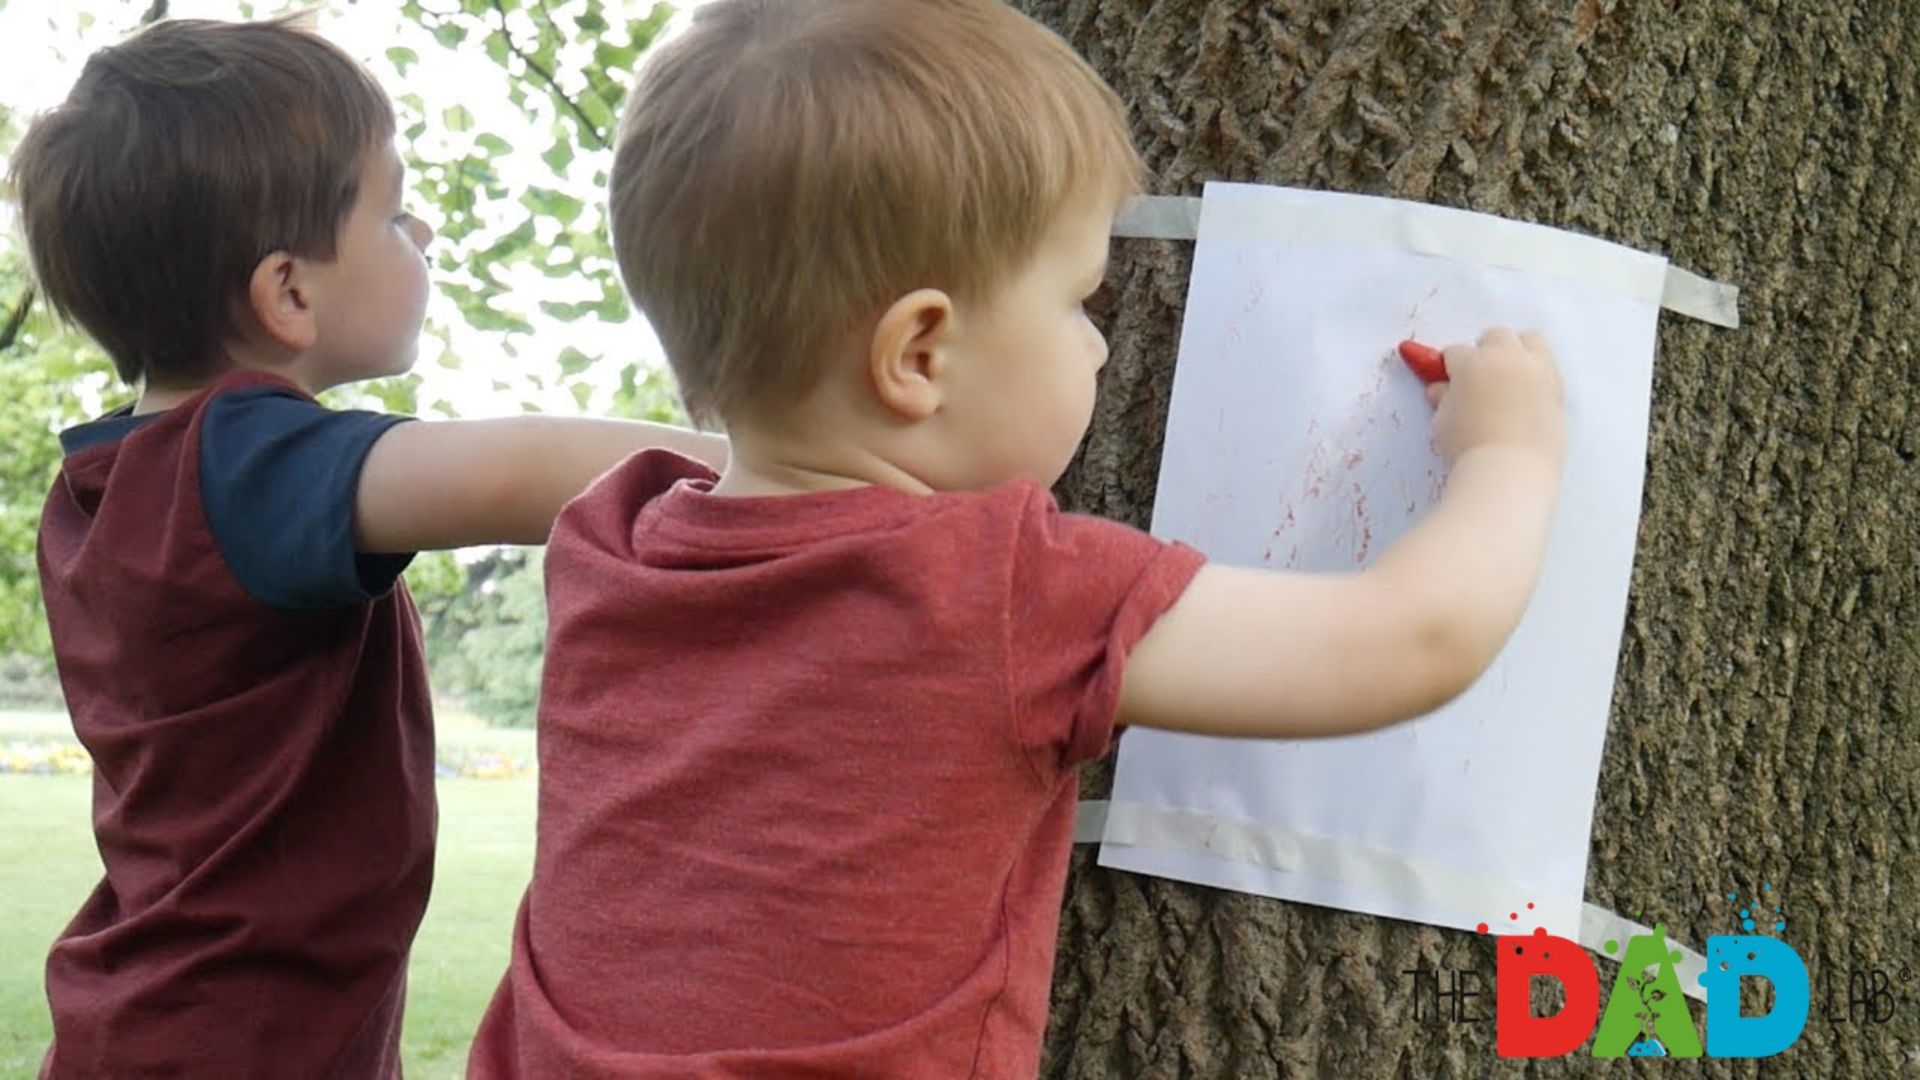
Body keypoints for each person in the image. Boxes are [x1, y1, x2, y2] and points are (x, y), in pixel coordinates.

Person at [471, 1, 1563, 1075]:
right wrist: (1510, 453)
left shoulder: (609, 549)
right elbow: (1411, 639)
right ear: (920, 357)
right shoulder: (993, 587)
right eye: (1080, 300)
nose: (1097, 349)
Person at [7, 16, 725, 1077]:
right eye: (392, 214)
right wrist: (775, 457)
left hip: (184, 1025)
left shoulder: (119, 488)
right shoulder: (235, 470)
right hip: (231, 1048)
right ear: (288, 293)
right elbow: (516, 471)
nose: (423, 234)